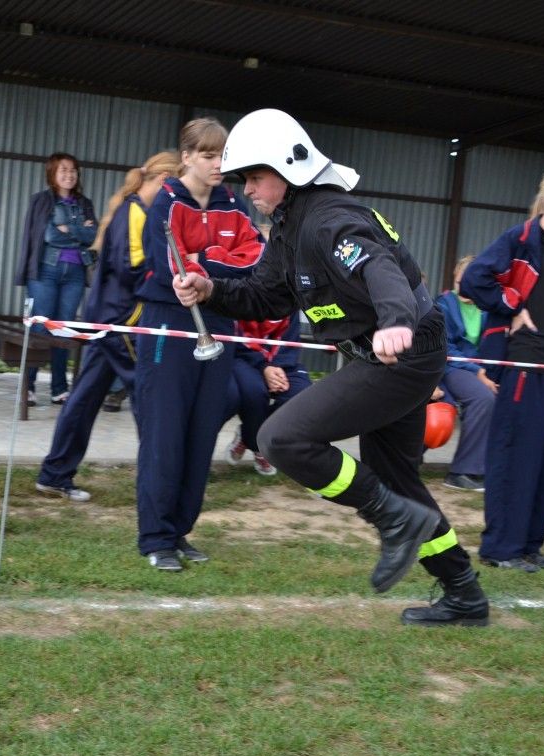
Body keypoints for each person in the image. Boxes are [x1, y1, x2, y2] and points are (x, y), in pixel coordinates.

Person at [174, 108, 489, 627]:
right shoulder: (291, 226)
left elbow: (376, 266)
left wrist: (394, 320)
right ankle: (464, 595)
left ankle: (392, 521)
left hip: (398, 355)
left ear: (288, 169)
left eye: (255, 177)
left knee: (281, 439)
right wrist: (211, 289)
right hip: (392, 355)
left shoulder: (325, 220)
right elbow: (266, 295)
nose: (248, 190)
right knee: (398, 481)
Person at [134, 117, 263, 572]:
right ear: (186, 156)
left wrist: (205, 264)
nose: (217, 165)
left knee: (200, 432)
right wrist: (212, 265)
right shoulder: (166, 202)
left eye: (222, 156)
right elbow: (166, 261)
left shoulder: (234, 204)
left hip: (219, 320)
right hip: (170, 323)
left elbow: (254, 258)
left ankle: (180, 530)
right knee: (164, 434)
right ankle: (155, 537)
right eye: (208, 155)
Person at [461, 159, 544, 573]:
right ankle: (501, 548)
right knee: (516, 457)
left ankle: (530, 546)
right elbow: (474, 281)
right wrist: (512, 307)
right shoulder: (520, 239)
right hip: (524, 362)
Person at [34, 151, 181, 501]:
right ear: (163, 181)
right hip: (121, 323)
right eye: (175, 187)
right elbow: (134, 267)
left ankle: (55, 473)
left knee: (84, 399)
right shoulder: (134, 213)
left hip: (108, 321)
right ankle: (162, 482)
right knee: (148, 397)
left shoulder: (136, 210)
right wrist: (174, 266)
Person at [14, 153, 97, 405]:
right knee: (40, 327)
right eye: (63, 170)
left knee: (64, 329)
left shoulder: (84, 203)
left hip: (74, 274)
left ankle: (58, 389)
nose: (69, 175)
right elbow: (49, 235)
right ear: (52, 173)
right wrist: (79, 231)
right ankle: (28, 387)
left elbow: (93, 236)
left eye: (73, 170)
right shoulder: (41, 201)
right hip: (45, 272)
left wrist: (70, 231)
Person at [434, 254, 495, 492]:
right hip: (451, 366)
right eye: (463, 278)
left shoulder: (486, 309)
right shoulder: (443, 304)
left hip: (479, 368)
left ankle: (486, 467)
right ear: (456, 277)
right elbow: (446, 348)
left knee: (502, 398)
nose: (467, 283)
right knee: (482, 398)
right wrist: (477, 370)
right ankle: (461, 472)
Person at [224, 313, 313, 476]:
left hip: (283, 363)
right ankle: (259, 447)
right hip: (245, 359)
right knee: (254, 392)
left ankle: (248, 435)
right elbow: (237, 341)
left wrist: (276, 367)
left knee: (304, 395)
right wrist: (264, 366)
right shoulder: (240, 294)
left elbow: (290, 340)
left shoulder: (290, 300)